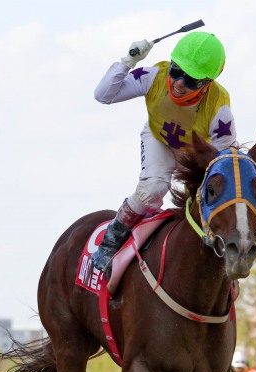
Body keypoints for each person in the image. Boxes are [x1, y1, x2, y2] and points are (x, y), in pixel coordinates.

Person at [90, 31, 237, 277]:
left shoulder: (219, 106)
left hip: (195, 153)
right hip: (159, 138)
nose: (179, 83)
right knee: (153, 189)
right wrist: (129, 60)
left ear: (207, 83)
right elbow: (103, 95)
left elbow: (225, 161)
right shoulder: (155, 75)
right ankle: (110, 243)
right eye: (176, 71)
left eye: (191, 80)